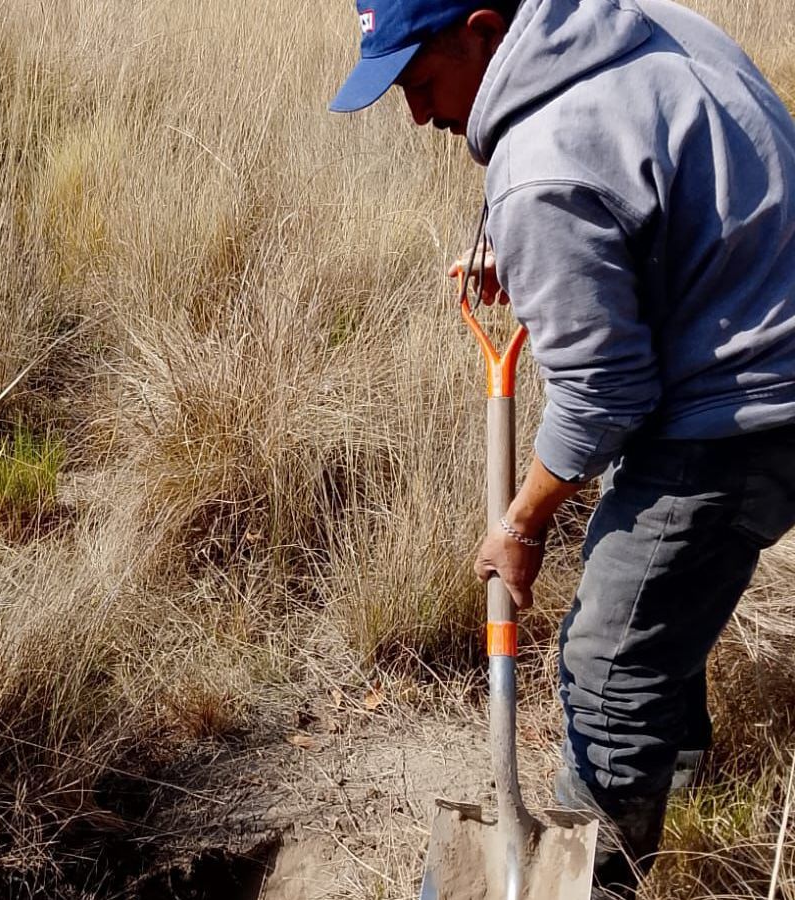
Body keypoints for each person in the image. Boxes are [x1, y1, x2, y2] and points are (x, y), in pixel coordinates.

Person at [329, 0, 795, 896]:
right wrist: (550, 246)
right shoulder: (630, 25)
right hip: (767, 349)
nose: (418, 114)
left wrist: (524, 521)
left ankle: (600, 875)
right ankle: (681, 777)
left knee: (608, 663)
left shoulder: (540, 169)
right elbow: (656, 180)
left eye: (419, 80)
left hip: (746, 411)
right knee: (655, 585)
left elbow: (603, 397)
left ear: (481, 25)